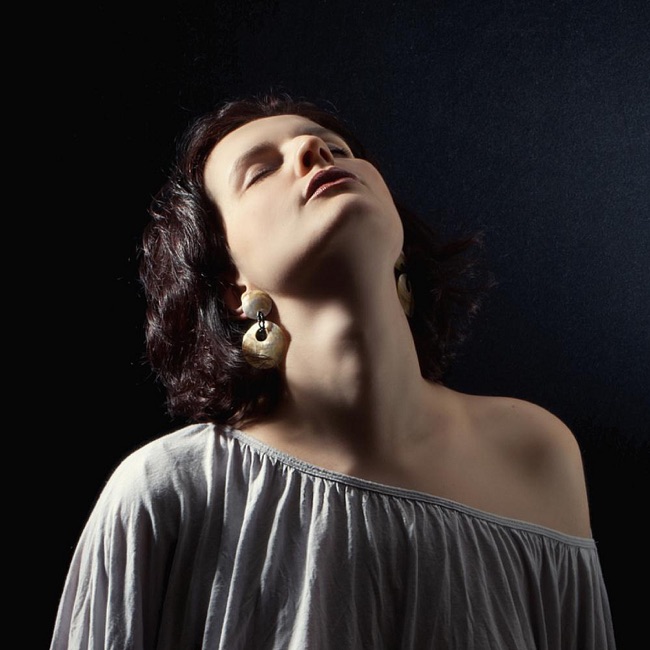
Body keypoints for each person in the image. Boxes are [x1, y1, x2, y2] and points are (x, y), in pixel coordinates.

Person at [50, 93, 616, 649]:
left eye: (337, 148)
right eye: (260, 170)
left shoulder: (536, 453)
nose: (311, 150)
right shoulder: (170, 489)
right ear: (232, 286)